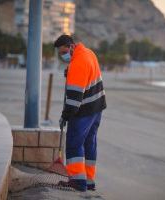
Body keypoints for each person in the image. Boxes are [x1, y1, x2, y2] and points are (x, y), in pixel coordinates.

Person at [54, 35, 106, 192]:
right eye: (59, 53)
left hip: (84, 110)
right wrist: (70, 72)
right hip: (97, 107)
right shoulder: (88, 53)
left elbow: (74, 101)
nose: (62, 56)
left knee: (74, 143)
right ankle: (89, 181)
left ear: (71, 46)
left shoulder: (78, 63)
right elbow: (87, 77)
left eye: (63, 52)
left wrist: (65, 116)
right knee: (90, 143)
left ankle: (78, 181)